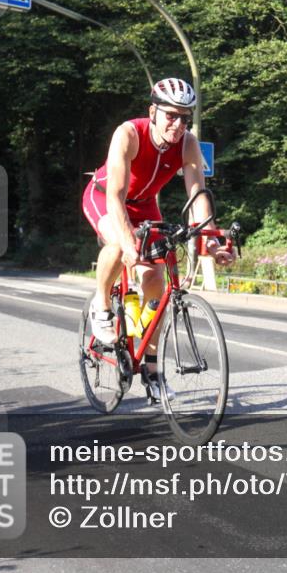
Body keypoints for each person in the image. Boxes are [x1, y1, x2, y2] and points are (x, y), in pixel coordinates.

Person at [81, 77, 234, 401]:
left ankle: (152, 370)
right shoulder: (129, 134)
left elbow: (197, 194)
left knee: (156, 284)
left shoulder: (188, 143)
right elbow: (116, 196)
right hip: (104, 197)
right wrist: (126, 241)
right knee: (115, 243)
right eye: (171, 116)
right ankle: (102, 304)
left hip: (146, 204)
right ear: (153, 111)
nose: (178, 124)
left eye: (185, 117)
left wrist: (211, 239)